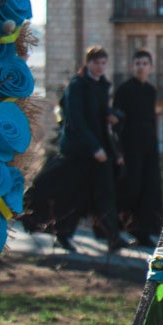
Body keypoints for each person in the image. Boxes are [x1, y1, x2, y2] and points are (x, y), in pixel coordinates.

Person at [22, 45, 126, 252]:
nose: (100, 67)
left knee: (105, 194)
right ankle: (63, 235)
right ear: (87, 63)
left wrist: (115, 116)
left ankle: (113, 237)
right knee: (73, 196)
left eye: (103, 63)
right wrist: (94, 147)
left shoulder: (101, 85)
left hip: (101, 152)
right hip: (81, 152)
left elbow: (100, 113)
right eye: (96, 62)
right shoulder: (77, 86)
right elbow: (76, 120)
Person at [113, 49, 163, 247]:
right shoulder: (124, 89)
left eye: (145, 63)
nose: (141, 67)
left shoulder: (151, 91)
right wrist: (119, 150)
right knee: (131, 186)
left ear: (150, 67)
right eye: (138, 63)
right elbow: (117, 121)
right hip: (130, 146)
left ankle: (145, 231)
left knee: (149, 188)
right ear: (132, 66)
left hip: (148, 146)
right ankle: (125, 228)